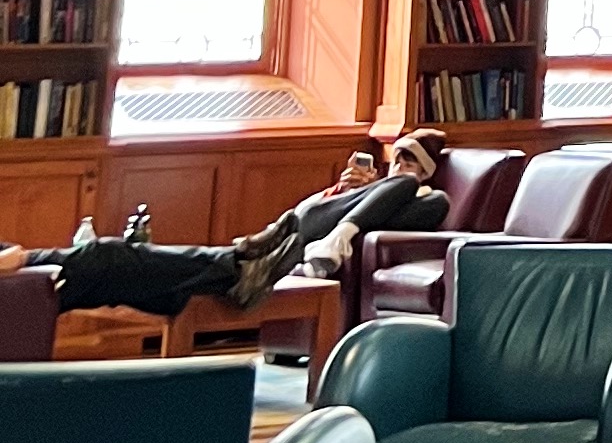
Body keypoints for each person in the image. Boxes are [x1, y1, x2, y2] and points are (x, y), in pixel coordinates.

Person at [0, 131, 448, 325]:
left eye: (411, 161)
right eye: (398, 156)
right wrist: (340, 193)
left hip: (299, 251)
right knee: (120, 262)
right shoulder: (372, 189)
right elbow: (306, 213)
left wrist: (372, 201)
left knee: (117, 260)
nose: (399, 165)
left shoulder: (423, 197)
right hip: (293, 245)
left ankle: (236, 265)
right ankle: (235, 267)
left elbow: (423, 204)